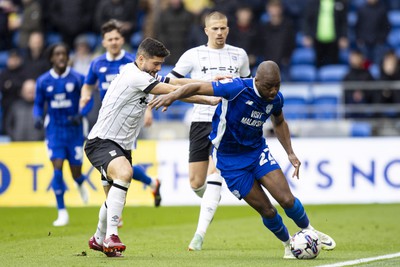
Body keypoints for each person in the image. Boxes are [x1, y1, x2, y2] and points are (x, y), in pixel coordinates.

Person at [149, 60, 337, 259]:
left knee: (287, 199)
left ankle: (310, 230)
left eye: (277, 86)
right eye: (268, 86)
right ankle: (289, 245)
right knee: (268, 210)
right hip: (230, 161)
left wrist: (290, 152)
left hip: (257, 152)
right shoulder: (236, 88)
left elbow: (279, 121)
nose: (273, 91)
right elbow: (197, 87)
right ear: (256, 80)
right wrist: (172, 96)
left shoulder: (276, 99)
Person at [82, 37, 219, 257]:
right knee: (125, 173)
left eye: (160, 65)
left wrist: (211, 87)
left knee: (116, 195)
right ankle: (111, 236)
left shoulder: (145, 73)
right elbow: (172, 91)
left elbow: (176, 84)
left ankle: (98, 238)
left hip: (121, 144)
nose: (158, 68)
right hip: (101, 140)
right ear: (141, 59)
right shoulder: (134, 76)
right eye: (155, 64)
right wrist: (207, 98)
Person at [166, 11, 251, 251]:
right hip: (200, 121)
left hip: (227, 123)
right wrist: (206, 90)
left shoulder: (239, 55)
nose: (220, 33)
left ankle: (198, 236)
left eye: (223, 28)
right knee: (196, 183)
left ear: (228, 29)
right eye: (215, 29)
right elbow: (170, 82)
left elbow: (247, 86)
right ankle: (212, 199)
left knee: (215, 175)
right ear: (206, 31)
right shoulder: (193, 55)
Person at [80, 19, 162, 207]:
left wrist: (148, 111)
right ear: (103, 42)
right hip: (106, 115)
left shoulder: (131, 62)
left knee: (118, 162)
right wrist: (84, 97)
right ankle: (150, 184)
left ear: (122, 39)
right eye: (110, 39)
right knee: (114, 162)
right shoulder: (97, 63)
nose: (114, 42)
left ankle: (114, 210)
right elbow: (87, 85)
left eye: (117, 38)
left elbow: (148, 87)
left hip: (127, 117)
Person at [33, 43, 89, 226]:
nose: (61, 57)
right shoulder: (43, 81)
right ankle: (62, 211)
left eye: (64, 54)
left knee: (75, 173)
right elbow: (38, 104)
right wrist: (37, 117)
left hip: (74, 131)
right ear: (51, 58)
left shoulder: (78, 78)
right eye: (57, 54)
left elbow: (87, 100)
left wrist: (80, 114)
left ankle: (80, 183)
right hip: (55, 130)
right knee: (57, 169)